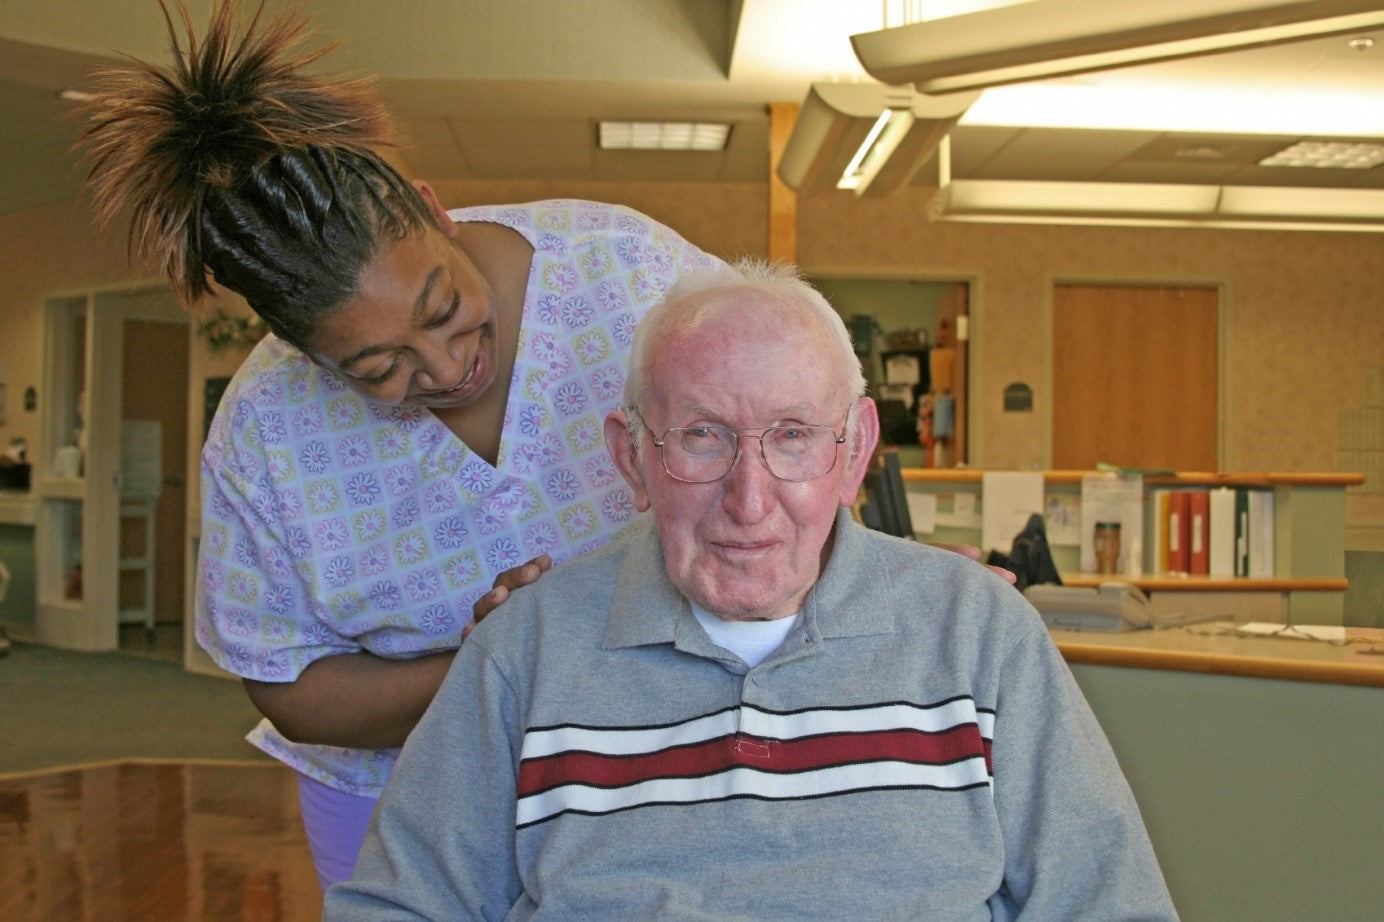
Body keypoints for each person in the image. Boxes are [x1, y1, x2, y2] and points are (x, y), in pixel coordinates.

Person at [75, 0, 723, 889]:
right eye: (378, 366)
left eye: (445, 308)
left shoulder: (630, 272)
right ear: (303, 351)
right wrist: (492, 664)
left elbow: (796, 442)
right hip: (393, 794)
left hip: (654, 766)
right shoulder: (266, 430)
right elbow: (290, 689)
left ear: (430, 208)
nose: (449, 366)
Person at [325, 260, 1177, 919]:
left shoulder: (980, 632)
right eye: (702, 437)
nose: (750, 498)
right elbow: (401, 908)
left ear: (855, 450)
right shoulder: (525, 651)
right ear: (632, 458)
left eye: (795, 437)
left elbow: (1110, 903)